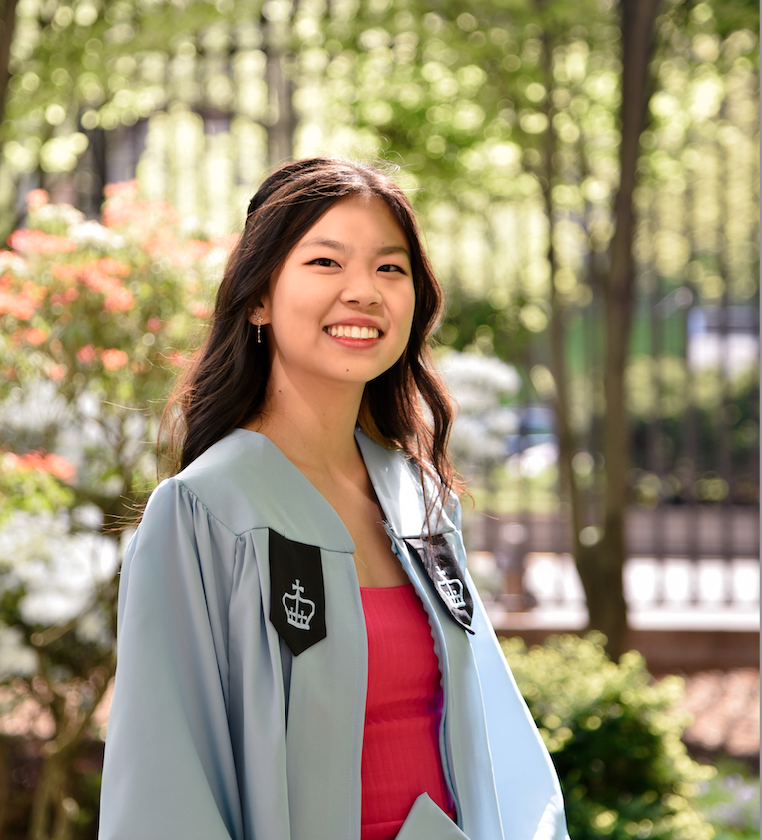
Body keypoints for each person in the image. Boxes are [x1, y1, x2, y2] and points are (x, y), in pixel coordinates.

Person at [98, 158, 568, 840]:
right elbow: (165, 788)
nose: (364, 292)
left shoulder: (419, 502)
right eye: (325, 262)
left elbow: (493, 740)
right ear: (258, 297)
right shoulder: (206, 514)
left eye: (390, 268)